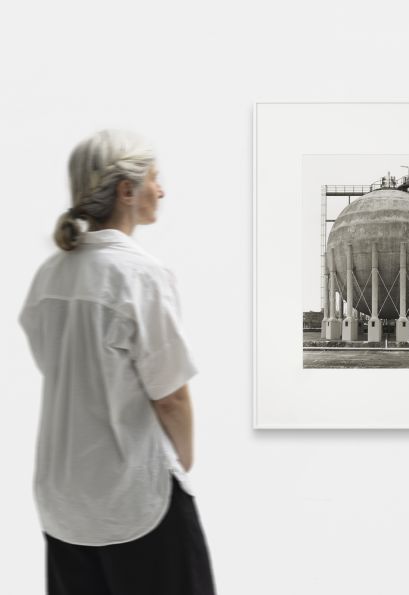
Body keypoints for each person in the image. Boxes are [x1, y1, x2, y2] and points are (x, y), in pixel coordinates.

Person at [19, 130, 216, 594]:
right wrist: (180, 466)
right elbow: (171, 397)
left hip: (63, 504)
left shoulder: (49, 276)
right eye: (154, 179)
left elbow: (57, 372)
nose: (162, 190)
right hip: (135, 501)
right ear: (127, 191)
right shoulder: (139, 275)